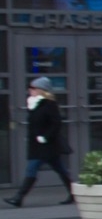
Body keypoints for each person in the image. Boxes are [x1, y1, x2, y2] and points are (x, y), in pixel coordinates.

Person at [7, 77, 72, 206]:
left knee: (32, 169)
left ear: (42, 90)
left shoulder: (49, 104)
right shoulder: (33, 103)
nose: (30, 90)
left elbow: (56, 123)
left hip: (47, 145)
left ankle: (18, 198)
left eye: (33, 88)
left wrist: (45, 136)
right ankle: (74, 192)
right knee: (60, 169)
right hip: (37, 145)